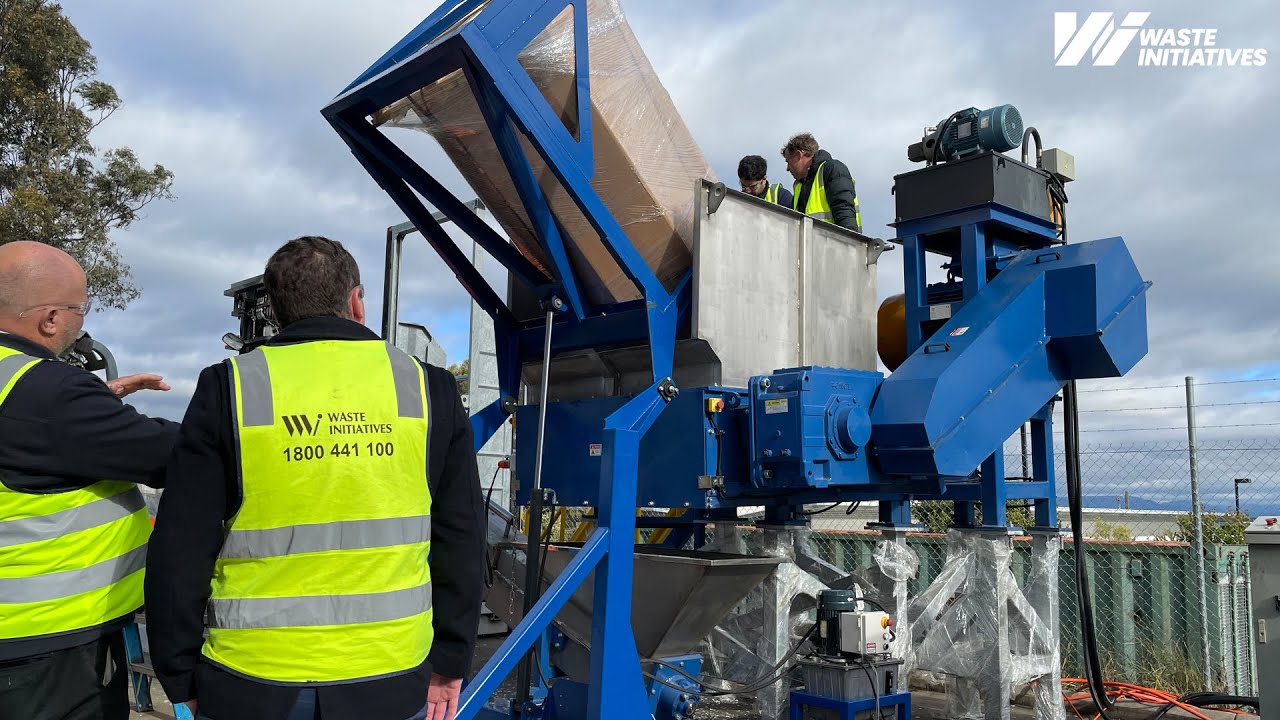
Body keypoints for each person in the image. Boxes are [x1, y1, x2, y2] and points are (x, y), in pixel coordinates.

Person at [146, 236, 484, 720]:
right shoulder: (430, 388)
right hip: (390, 677)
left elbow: (182, 543)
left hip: (253, 679)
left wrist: (178, 670)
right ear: (356, 301)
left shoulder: (230, 386)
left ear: (276, 309)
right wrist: (450, 660)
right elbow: (461, 537)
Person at [0, 241, 178, 720]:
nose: (81, 324)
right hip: (43, 649)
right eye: (80, 310)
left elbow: (32, 436)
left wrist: (94, 408)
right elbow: (176, 455)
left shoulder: (24, 389)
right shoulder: (48, 391)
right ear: (50, 318)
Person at [781, 133, 863, 233]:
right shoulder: (800, 185)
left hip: (835, 241)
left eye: (788, 161)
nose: (787, 168)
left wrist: (849, 240)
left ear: (799, 155)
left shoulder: (832, 169)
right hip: (813, 242)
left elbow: (844, 211)